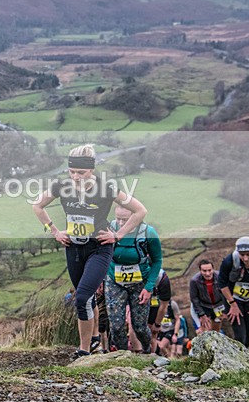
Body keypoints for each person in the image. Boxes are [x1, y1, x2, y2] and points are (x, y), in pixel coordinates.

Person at [32, 144, 147, 359]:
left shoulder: (106, 188)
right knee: (87, 297)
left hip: (99, 248)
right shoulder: (62, 186)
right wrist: (54, 231)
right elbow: (37, 205)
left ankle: (84, 350)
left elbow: (140, 211)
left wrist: (118, 235)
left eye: (81, 172)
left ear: (92, 170)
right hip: (73, 248)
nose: (75, 177)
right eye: (72, 171)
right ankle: (95, 338)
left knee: (82, 297)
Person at [104, 205, 163, 354]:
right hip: (115, 281)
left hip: (140, 283)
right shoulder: (109, 228)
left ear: (136, 216)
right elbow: (99, 254)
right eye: (118, 219)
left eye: (125, 219)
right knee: (116, 326)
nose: (121, 223)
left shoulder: (148, 233)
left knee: (139, 327)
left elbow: (157, 261)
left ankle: (147, 351)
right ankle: (124, 355)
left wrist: (149, 287)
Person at [189, 259, 226, 335]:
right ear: (200, 271)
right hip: (204, 307)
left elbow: (226, 293)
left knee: (216, 332)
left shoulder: (220, 276)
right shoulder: (194, 281)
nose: (207, 273)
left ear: (213, 269)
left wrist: (226, 310)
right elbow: (194, 299)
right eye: (204, 271)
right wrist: (201, 314)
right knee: (204, 332)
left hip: (218, 306)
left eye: (209, 270)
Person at [147, 269, 172, 354]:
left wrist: (157, 324)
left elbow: (164, 305)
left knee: (153, 335)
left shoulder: (162, 278)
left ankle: (151, 356)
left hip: (154, 307)